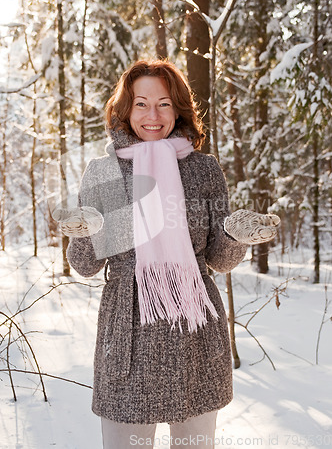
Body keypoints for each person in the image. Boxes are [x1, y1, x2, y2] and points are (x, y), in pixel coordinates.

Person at [54, 59, 280, 449]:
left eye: (163, 103)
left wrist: (234, 234)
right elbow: (87, 266)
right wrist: (81, 234)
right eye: (141, 103)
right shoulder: (103, 171)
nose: (153, 115)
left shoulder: (204, 169)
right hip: (128, 330)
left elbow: (218, 260)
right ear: (125, 109)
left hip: (193, 328)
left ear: (179, 108)